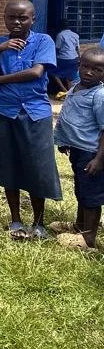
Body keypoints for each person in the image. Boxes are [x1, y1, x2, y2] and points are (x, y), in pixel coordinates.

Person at [0, 0, 61, 241]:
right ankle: (15, 219)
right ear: (4, 18)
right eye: (11, 17)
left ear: (33, 19)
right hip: (5, 112)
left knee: (37, 167)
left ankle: (38, 222)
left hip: (36, 113)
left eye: (22, 18)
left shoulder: (43, 41)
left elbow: (36, 72)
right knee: (9, 166)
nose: (16, 22)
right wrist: (0, 51)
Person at [53, 47, 104, 250]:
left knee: (91, 195)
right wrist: (64, 140)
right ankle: (80, 226)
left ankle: (88, 238)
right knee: (81, 189)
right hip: (78, 150)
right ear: (79, 66)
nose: (89, 72)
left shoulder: (99, 95)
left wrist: (99, 159)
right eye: (85, 66)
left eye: (97, 70)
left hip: (91, 153)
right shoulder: (76, 87)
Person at [51, 21, 80, 95]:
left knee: (54, 74)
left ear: (60, 27)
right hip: (74, 58)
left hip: (63, 58)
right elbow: (77, 48)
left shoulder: (60, 35)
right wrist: (79, 59)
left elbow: (57, 48)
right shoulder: (75, 35)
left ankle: (64, 90)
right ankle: (71, 93)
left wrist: (53, 58)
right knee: (69, 77)